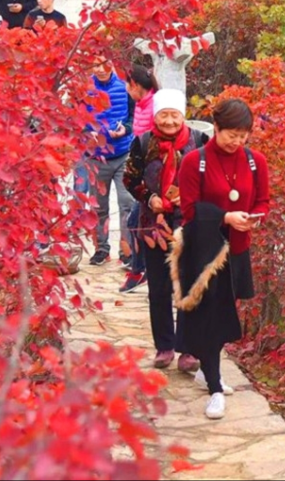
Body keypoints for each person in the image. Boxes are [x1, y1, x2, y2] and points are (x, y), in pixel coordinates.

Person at [172, 98, 271, 420]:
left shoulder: (256, 161)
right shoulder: (194, 162)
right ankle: (215, 387)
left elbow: (263, 200)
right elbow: (188, 211)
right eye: (231, 134)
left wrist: (254, 217)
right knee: (211, 318)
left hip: (238, 249)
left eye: (244, 136)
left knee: (226, 311)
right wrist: (225, 217)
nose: (237, 142)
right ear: (215, 127)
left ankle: (206, 370)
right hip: (204, 253)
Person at [125, 88, 208, 367]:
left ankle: (188, 349)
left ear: (182, 115)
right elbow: (130, 179)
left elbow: (214, 180)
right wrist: (150, 198)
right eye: (164, 115)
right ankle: (164, 346)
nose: (169, 121)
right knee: (159, 287)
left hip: (189, 224)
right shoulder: (143, 142)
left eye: (174, 115)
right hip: (154, 226)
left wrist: (191, 196)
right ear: (155, 116)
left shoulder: (199, 141)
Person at [74, 57, 135, 267]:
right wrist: (87, 133)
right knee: (99, 206)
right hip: (96, 156)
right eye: (95, 65)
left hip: (123, 153)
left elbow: (133, 117)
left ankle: (127, 250)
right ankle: (102, 247)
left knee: (127, 203)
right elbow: (76, 118)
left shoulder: (125, 87)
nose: (100, 69)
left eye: (104, 64)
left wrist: (125, 129)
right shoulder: (84, 89)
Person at [117, 64, 159, 292]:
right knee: (137, 222)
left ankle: (140, 270)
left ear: (134, 85)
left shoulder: (154, 105)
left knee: (136, 222)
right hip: (140, 174)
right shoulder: (141, 105)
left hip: (153, 177)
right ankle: (142, 269)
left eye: (127, 83)